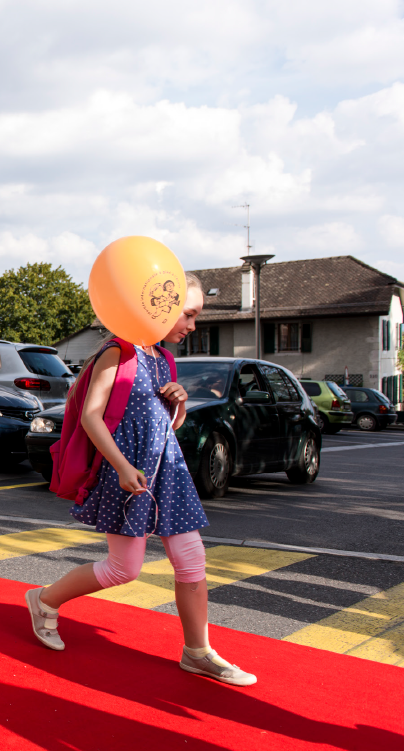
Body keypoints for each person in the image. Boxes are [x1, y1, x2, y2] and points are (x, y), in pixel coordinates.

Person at [24, 274, 257, 686]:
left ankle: (197, 652)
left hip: (168, 470)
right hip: (129, 472)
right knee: (122, 569)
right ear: (161, 309)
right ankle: (43, 600)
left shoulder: (163, 358)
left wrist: (178, 403)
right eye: (188, 314)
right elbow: (91, 417)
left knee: (191, 560)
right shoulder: (119, 351)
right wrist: (119, 466)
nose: (192, 325)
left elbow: (165, 424)